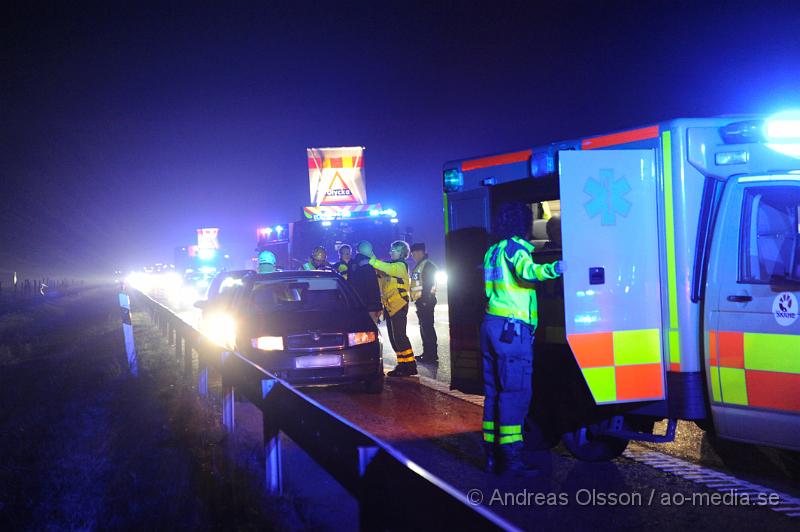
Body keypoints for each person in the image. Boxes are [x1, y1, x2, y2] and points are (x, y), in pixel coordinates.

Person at [482, 202, 564, 475]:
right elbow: (528, 272)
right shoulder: (515, 248)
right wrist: (557, 267)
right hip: (511, 329)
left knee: (494, 392)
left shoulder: (492, 251)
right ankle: (512, 460)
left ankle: (491, 456)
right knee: (515, 393)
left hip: (492, 324)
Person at [368, 240, 417, 376]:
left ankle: (410, 366)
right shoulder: (392, 266)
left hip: (398, 305)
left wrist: (372, 259)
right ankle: (402, 364)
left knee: (400, 337)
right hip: (391, 306)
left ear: (401, 252)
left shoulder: (400, 266)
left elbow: (385, 268)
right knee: (394, 337)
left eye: (393, 251)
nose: (390, 253)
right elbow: (382, 273)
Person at [409, 243, 438, 363]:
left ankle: (431, 355)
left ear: (420, 252)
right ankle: (427, 353)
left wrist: (425, 300)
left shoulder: (427, 265)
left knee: (427, 328)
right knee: (424, 328)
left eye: (414, 253)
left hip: (426, 300)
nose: (413, 256)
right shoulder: (421, 264)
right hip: (421, 301)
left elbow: (428, 283)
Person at [348, 240, 383, 322]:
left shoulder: (351, 264)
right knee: (371, 330)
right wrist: (378, 306)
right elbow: (373, 286)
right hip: (371, 305)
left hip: (356, 304)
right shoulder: (370, 265)